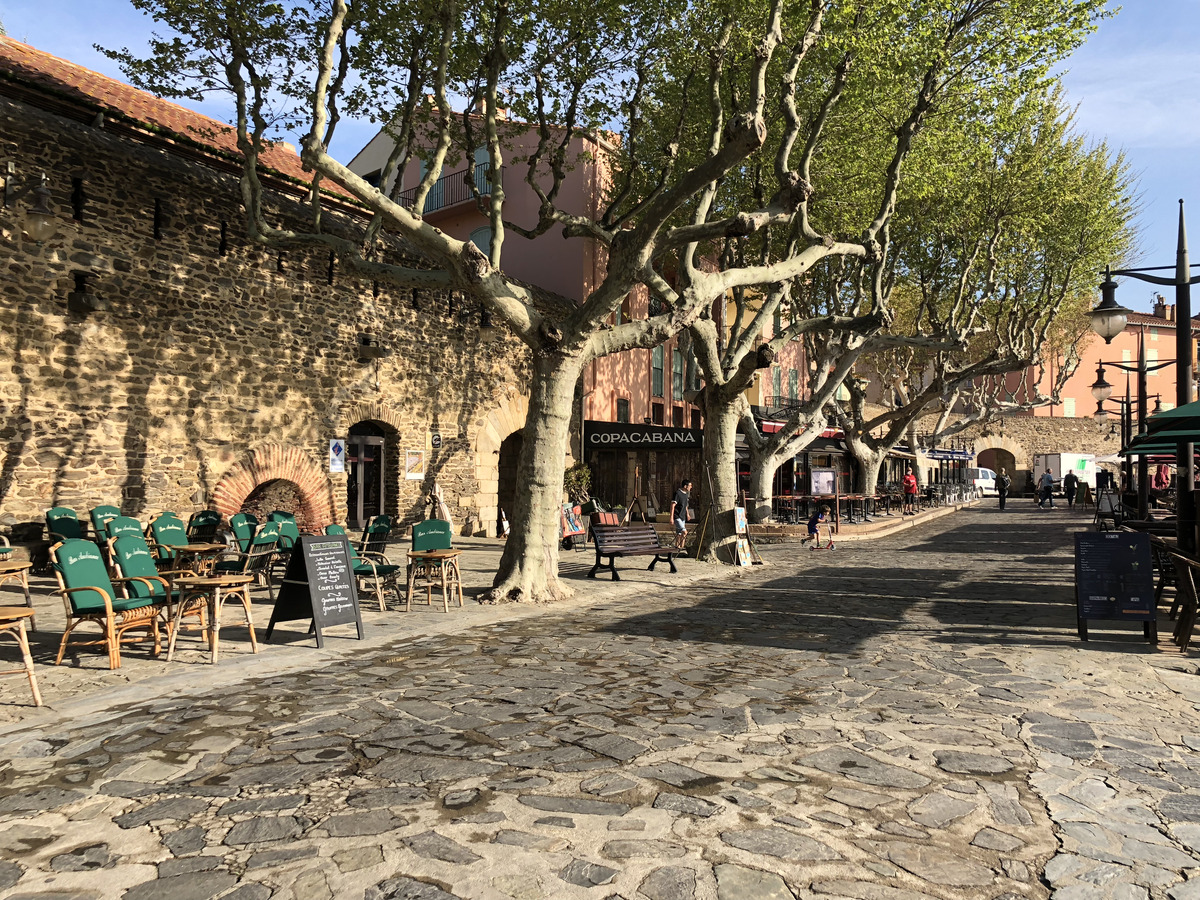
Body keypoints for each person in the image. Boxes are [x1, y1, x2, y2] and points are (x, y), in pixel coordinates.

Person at [670, 479, 692, 551]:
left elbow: (685, 506)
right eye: (690, 486)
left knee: (679, 533)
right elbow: (672, 505)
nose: (691, 487)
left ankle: (677, 547)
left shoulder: (686, 494)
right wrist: (671, 518)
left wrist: (687, 514)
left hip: (683, 516)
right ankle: (682, 547)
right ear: (685, 486)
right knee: (684, 532)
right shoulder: (678, 493)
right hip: (677, 516)